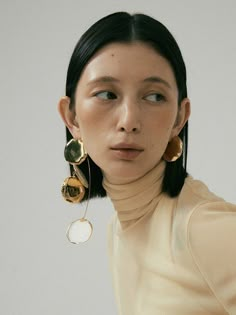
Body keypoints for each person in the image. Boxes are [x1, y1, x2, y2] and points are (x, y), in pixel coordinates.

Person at [58, 12, 236, 315]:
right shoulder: (119, 229)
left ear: (179, 117)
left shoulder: (207, 230)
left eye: (153, 96)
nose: (129, 121)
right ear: (71, 117)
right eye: (106, 94)